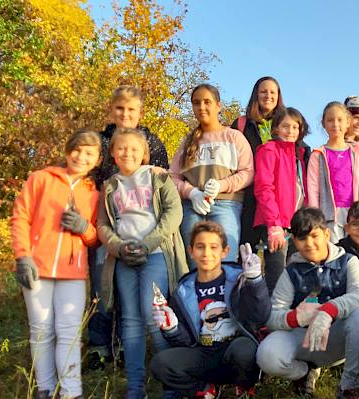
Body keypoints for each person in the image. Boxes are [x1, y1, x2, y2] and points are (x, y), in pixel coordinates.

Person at [96, 128, 189, 398]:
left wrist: (147, 244)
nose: (128, 153)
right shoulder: (110, 185)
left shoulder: (158, 178)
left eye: (134, 149)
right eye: (121, 148)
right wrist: (118, 247)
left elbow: (174, 214)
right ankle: (136, 387)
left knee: (154, 314)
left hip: (155, 254)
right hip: (124, 258)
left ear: (144, 153)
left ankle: (172, 384)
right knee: (130, 320)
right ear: (113, 153)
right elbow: (102, 224)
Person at [10, 130, 102, 399]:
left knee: (69, 333)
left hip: (72, 273)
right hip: (36, 267)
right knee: (41, 331)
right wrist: (22, 256)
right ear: (67, 151)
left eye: (89, 153)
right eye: (77, 150)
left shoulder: (93, 194)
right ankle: (45, 389)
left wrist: (84, 228)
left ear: (97, 160)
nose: (81, 157)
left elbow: (95, 238)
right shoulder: (40, 179)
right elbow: (20, 218)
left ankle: (72, 393)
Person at [87, 85, 170, 371]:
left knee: (131, 295)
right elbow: (88, 175)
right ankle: (99, 346)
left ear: (140, 113)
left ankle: (123, 344)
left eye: (131, 109)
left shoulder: (151, 141)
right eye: (120, 108)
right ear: (111, 110)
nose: (125, 114)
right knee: (102, 288)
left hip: (143, 231)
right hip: (108, 224)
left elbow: (162, 178)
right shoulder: (100, 140)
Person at [256, 208, 359, 399]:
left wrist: (328, 311)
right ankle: (303, 373)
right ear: (294, 241)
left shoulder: (348, 262)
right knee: (267, 355)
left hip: (337, 339)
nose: (309, 244)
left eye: (314, 236)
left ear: (327, 234)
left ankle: (349, 387)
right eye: (302, 239)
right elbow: (272, 317)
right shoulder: (291, 272)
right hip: (303, 339)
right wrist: (294, 318)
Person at [150, 221, 270, 399]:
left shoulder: (240, 278)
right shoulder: (182, 291)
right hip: (204, 355)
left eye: (213, 247)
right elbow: (186, 343)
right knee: (160, 363)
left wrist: (255, 282)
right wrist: (172, 329)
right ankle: (205, 390)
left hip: (234, 351)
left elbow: (260, 317)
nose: (206, 253)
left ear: (225, 251)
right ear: (191, 251)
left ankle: (243, 388)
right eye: (200, 247)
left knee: (244, 349)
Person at [171, 84, 254, 266]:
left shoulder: (234, 137)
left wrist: (222, 185)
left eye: (207, 102)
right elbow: (172, 177)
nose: (201, 107)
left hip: (226, 205)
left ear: (218, 105)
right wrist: (191, 193)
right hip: (192, 208)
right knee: (196, 264)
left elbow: (248, 172)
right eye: (196, 103)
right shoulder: (187, 143)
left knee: (225, 262)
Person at [253, 106, 312, 292]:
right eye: (286, 126)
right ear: (276, 128)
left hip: (296, 224)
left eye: (295, 127)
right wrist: (273, 225)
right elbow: (264, 187)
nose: (290, 131)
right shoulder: (269, 150)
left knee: (295, 277)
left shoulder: (299, 155)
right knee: (277, 277)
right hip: (277, 224)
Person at [231, 76, 288, 252]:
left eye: (272, 92)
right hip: (248, 196)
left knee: (277, 256)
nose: (268, 96)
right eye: (263, 91)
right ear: (256, 95)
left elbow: (299, 153)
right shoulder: (242, 124)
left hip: (277, 198)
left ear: (278, 96)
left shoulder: (286, 124)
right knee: (246, 252)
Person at [306, 101, 359, 243]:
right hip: (329, 214)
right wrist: (314, 217)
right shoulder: (318, 155)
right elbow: (312, 189)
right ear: (323, 124)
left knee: (354, 252)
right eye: (330, 120)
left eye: (340, 120)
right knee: (334, 251)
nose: (335, 124)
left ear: (348, 122)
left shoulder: (357, 154)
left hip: (356, 214)